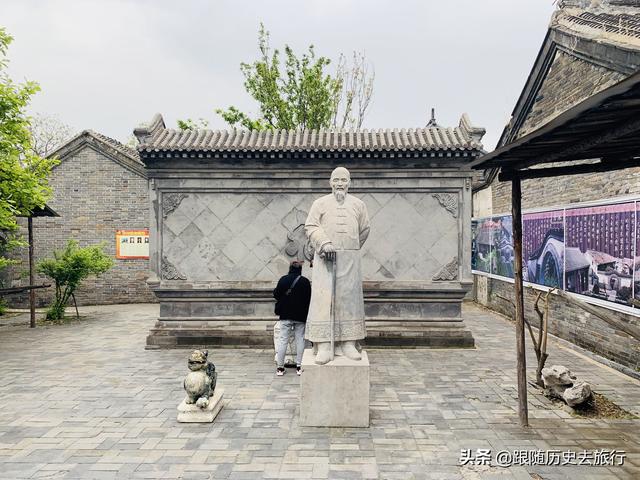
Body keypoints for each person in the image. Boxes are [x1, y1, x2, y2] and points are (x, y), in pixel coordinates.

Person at [304, 166, 370, 365]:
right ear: (330, 182)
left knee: (349, 300)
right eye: (336, 180)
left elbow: (365, 229)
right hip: (326, 260)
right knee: (324, 301)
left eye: (343, 180)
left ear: (349, 183)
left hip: (350, 261)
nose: (340, 184)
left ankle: (348, 343)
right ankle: (324, 345)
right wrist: (324, 243)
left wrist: (349, 248)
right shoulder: (320, 203)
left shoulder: (358, 205)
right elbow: (311, 226)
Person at [273, 260, 311, 376]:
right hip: (301, 315)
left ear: (290, 268)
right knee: (300, 340)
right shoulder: (305, 282)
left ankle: (280, 368)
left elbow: (276, 294)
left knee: (283, 339)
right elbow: (309, 298)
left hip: (285, 314)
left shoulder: (283, 279)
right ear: (300, 270)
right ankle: (299, 367)